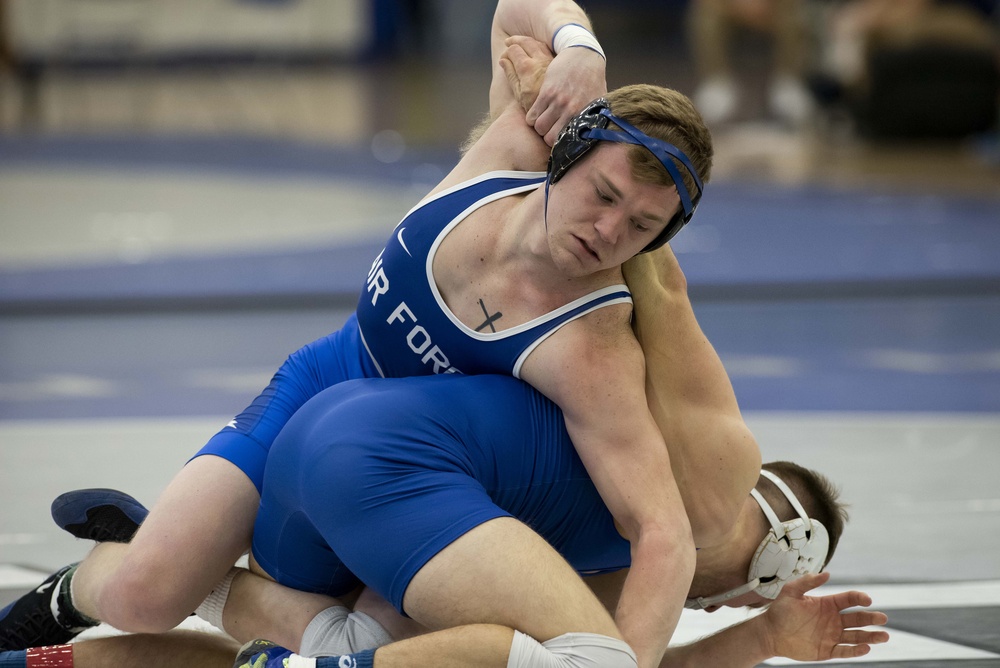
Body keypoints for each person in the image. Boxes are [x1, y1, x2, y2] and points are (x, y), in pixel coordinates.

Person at [1, 1, 720, 665]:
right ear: (567, 154)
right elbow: (513, 9)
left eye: (640, 227)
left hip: (405, 472)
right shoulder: (512, 147)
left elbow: (662, 533)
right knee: (141, 597)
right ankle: (81, 586)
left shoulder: (590, 345)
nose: (607, 231)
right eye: (604, 195)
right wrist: (579, 47)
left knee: (354, 629)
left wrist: (631, 661)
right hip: (323, 376)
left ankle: (203, 576)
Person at [0, 373, 886, 668]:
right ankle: (178, 578)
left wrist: (765, 636)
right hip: (389, 477)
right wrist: (760, 640)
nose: (726, 607)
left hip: (343, 423)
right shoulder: (655, 533)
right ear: (784, 552)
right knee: (357, 647)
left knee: (325, 635)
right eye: (748, 600)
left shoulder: (659, 450)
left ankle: (113, 591)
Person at [688, 0, 816, 126]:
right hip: (728, 5)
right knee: (707, 13)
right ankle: (717, 83)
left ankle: (788, 84)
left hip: (777, 6)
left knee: (798, 14)